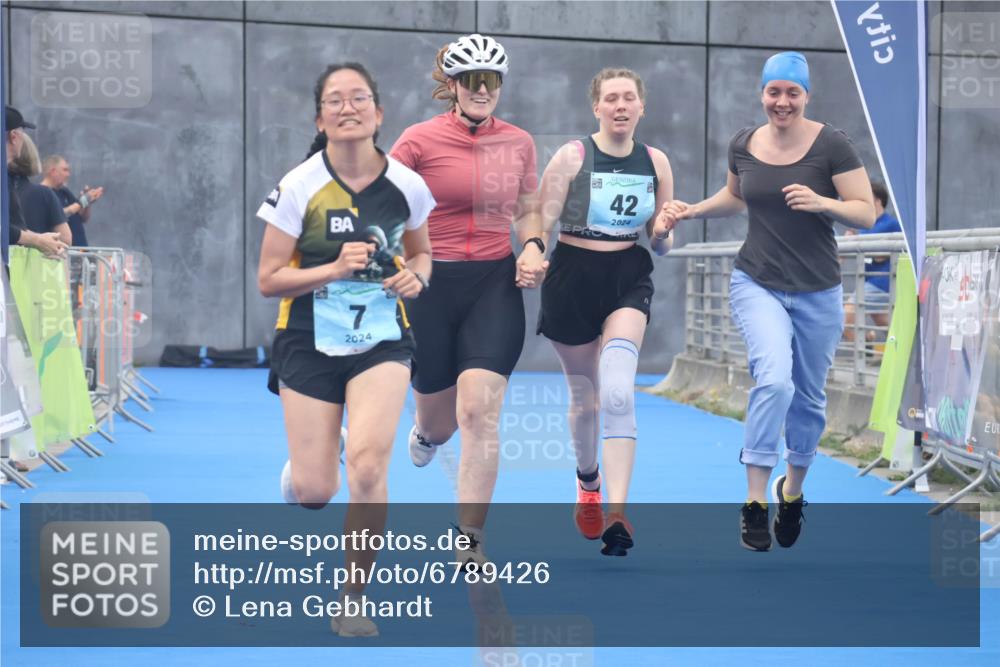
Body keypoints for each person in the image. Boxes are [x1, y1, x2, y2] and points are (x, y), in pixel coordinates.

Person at [661, 52, 875, 552]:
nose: (782, 102)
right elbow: (736, 197)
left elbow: (865, 212)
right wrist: (691, 210)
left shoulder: (832, 145)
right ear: (762, 94)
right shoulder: (744, 143)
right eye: (774, 92)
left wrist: (823, 203)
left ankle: (792, 492)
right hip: (757, 281)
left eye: (792, 93)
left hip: (818, 288)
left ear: (806, 96)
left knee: (809, 397)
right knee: (774, 379)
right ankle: (755, 501)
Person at [257, 62, 435, 636]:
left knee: (369, 465)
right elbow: (268, 279)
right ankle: (314, 457)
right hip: (308, 339)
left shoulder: (407, 185)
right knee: (315, 493)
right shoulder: (298, 186)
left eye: (359, 98)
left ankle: (352, 598)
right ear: (320, 119)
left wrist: (417, 276)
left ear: (378, 114)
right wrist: (332, 268)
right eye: (334, 100)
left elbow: (423, 253)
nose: (347, 107)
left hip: (382, 338)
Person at [389, 34, 544, 567]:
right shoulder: (417, 140)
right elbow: (386, 204)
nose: (482, 90)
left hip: (492, 286)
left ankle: (470, 538)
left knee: (478, 410)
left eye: (491, 80)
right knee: (441, 423)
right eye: (472, 80)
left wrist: (533, 246)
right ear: (453, 85)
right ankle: (425, 432)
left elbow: (529, 207)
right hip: (430, 286)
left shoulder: (519, 142)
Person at [535, 68, 674, 556]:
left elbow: (662, 243)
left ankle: (617, 512)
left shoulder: (656, 161)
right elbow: (540, 221)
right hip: (572, 276)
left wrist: (664, 230)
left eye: (628, 98)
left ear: (641, 107)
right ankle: (588, 482)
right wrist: (532, 252)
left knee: (616, 389)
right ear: (596, 107)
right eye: (611, 98)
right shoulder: (572, 156)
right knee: (586, 401)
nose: (620, 106)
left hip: (626, 275)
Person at [843, 180, 901, 345]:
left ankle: (867, 347)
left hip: (882, 282)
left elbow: (888, 253)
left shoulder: (891, 224)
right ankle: (878, 344)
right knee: (886, 324)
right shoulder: (866, 225)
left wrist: (858, 242)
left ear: (878, 201)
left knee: (845, 318)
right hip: (870, 280)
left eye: (867, 197)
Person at [3, 106, 65, 258]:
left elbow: (10, 228)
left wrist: (42, 240)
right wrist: (38, 240)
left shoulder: (6, 178)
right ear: (14, 136)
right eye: (23, 132)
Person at [8, 131, 71, 245]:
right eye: (65, 170)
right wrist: (39, 241)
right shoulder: (43, 194)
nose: (68, 174)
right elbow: (65, 239)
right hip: (35, 256)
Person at [41, 155, 104, 247]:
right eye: (65, 170)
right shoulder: (41, 193)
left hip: (80, 250)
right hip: (63, 251)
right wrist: (82, 202)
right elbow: (56, 216)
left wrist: (87, 203)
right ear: (53, 171)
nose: (68, 174)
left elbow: (83, 218)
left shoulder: (64, 192)